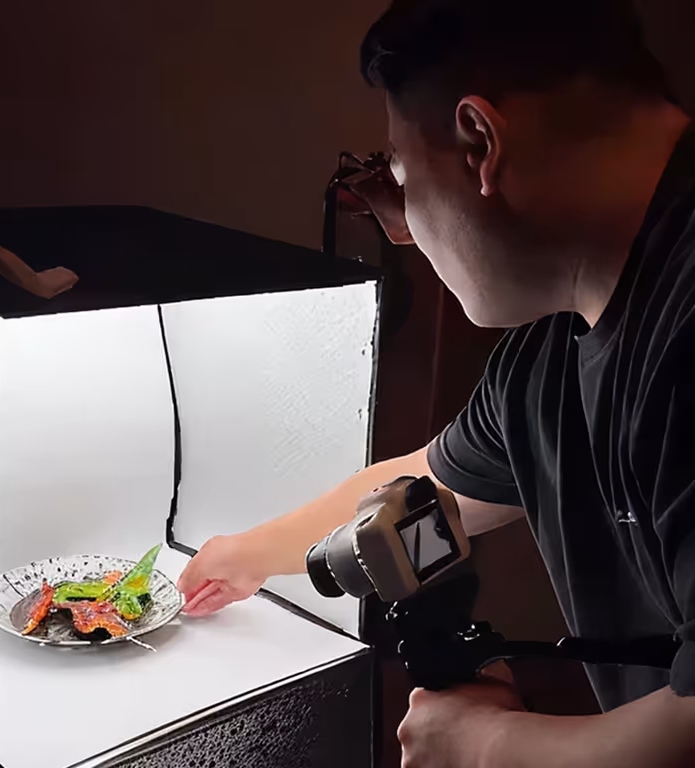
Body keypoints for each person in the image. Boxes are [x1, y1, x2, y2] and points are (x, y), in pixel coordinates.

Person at [178, 0, 695, 765]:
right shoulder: (549, 349)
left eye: (398, 176)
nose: (405, 231)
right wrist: (247, 554)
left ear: (479, 143)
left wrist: (488, 746)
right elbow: (427, 485)